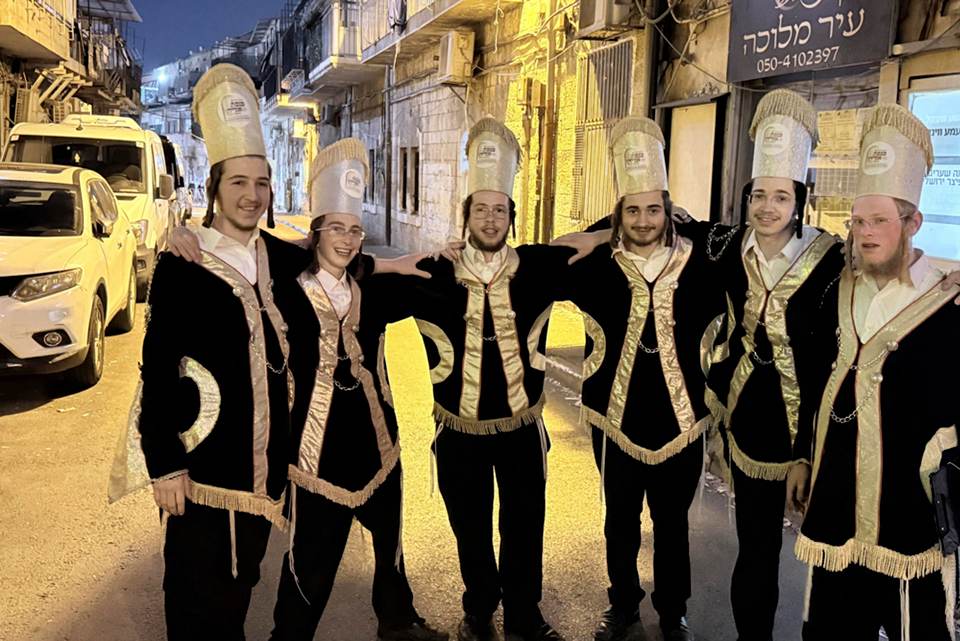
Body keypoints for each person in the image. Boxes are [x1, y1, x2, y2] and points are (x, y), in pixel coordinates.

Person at [369, 117, 607, 641]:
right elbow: (352, 281)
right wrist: (383, 262)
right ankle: (479, 609)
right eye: (482, 209)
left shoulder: (538, 268)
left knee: (525, 529)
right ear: (467, 215)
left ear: (511, 217)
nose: (492, 218)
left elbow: (587, 243)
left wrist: (636, 215)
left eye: (500, 210)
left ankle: (524, 613)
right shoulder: (432, 273)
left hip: (523, 431)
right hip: (457, 434)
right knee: (470, 530)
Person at [134, 63, 298, 640]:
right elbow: (156, 371)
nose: (252, 196)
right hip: (200, 478)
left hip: (259, 484)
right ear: (214, 187)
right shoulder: (185, 265)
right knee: (195, 605)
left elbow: (343, 257)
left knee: (237, 599)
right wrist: (164, 464)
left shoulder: (278, 258)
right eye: (238, 183)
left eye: (262, 184)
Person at [267, 138, 446, 641]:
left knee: (390, 542)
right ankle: (290, 635)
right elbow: (253, 251)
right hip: (316, 452)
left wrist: (448, 254)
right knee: (311, 558)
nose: (346, 240)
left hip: (376, 445)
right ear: (316, 233)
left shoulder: (373, 287)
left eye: (355, 230)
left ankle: (397, 620)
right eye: (336, 229)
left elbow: (440, 282)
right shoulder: (286, 290)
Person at [557, 116, 727, 641]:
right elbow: (554, 250)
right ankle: (623, 605)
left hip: (683, 422)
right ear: (618, 214)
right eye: (633, 210)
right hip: (615, 418)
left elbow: (743, 243)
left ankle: (672, 611)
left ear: (668, 209)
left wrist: (687, 221)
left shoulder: (699, 261)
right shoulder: (597, 265)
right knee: (620, 523)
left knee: (673, 527)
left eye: (654, 208)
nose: (645, 219)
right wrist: (599, 232)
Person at [794, 103, 959, 641]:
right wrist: (801, 454)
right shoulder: (832, 291)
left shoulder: (949, 307)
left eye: (880, 221)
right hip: (835, 512)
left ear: (913, 222)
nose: (865, 234)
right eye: (858, 221)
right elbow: (812, 377)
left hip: (910, 523)